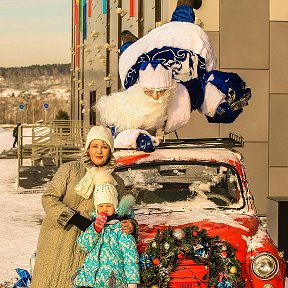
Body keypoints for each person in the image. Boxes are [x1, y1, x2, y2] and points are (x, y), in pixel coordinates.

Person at [96, 0, 251, 148]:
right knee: (131, 52)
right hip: (137, 56)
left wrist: (226, 101)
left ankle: (183, 5)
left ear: (170, 89)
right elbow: (119, 131)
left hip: (170, 48)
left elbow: (209, 87)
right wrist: (136, 137)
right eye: (150, 92)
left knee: (180, 29)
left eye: (161, 92)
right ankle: (128, 41)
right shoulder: (130, 104)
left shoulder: (184, 91)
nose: (156, 97)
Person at [31, 126, 136, 288]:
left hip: (89, 248)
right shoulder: (70, 169)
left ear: (110, 150)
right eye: (95, 146)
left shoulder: (116, 182)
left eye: (104, 146)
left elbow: (125, 212)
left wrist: (132, 225)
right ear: (88, 148)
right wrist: (75, 218)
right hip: (58, 240)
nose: (99, 151)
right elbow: (49, 198)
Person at [72, 170, 139, 288]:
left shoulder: (122, 228)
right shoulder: (95, 226)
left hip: (111, 281)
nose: (104, 209)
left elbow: (130, 257)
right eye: (101, 206)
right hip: (90, 280)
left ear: (115, 207)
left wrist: (132, 282)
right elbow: (84, 245)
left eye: (109, 206)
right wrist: (95, 229)